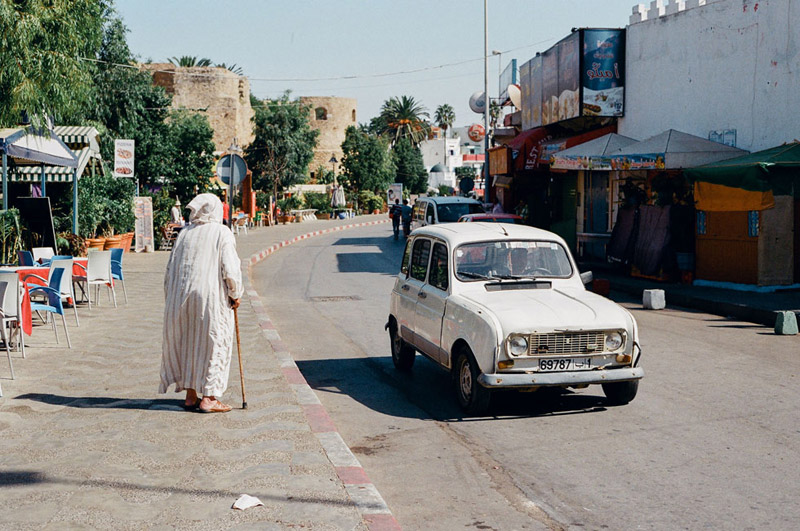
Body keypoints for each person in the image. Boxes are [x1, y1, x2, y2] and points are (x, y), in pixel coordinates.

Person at [159, 193, 243, 413]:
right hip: (210, 298)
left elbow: (170, 270)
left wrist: (170, 298)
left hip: (180, 297)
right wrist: (235, 293)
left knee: (189, 344)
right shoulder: (221, 232)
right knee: (214, 342)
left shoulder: (184, 234)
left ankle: (190, 396)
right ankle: (209, 398)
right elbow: (230, 268)